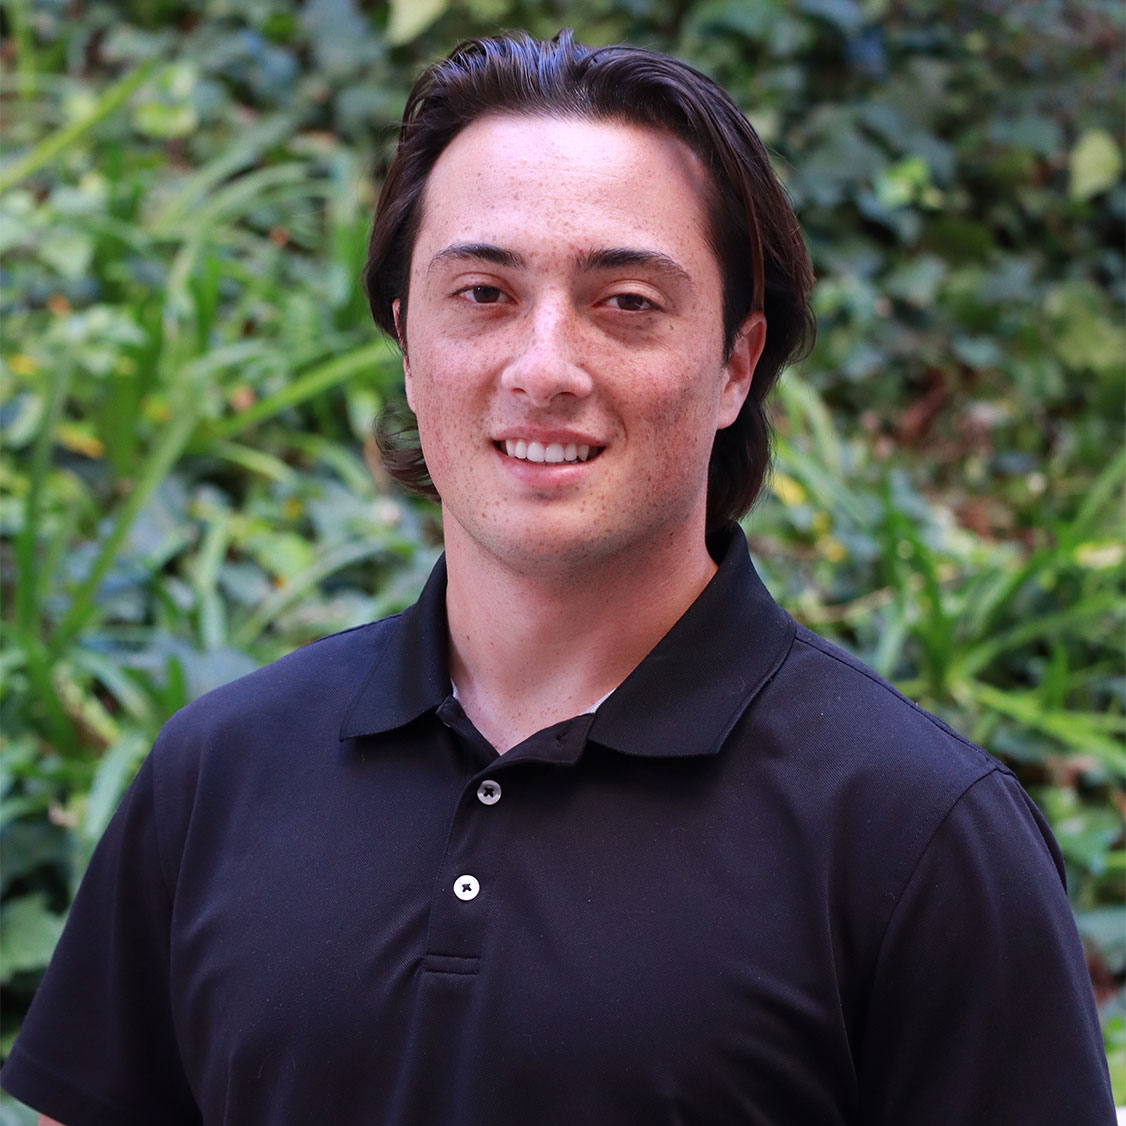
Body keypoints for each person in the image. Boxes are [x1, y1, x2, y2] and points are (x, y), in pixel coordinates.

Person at [2, 29, 1115, 1126]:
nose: (543, 368)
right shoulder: (218, 774)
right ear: (404, 337)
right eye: (482, 293)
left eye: (625, 302)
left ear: (735, 362)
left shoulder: (915, 835)